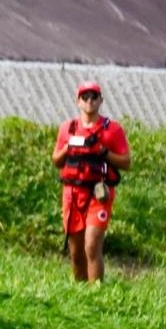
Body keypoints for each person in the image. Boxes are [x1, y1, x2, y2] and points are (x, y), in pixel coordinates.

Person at [50, 80, 131, 282]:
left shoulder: (112, 129)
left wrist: (103, 152)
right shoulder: (67, 128)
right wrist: (67, 148)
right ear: (77, 101)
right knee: (76, 251)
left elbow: (126, 162)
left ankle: (98, 294)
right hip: (72, 193)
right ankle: (81, 294)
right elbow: (56, 161)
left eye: (94, 96)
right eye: (85, 97)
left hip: (99, 193)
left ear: (100, 100)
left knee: (92, 245)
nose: (89, 101)